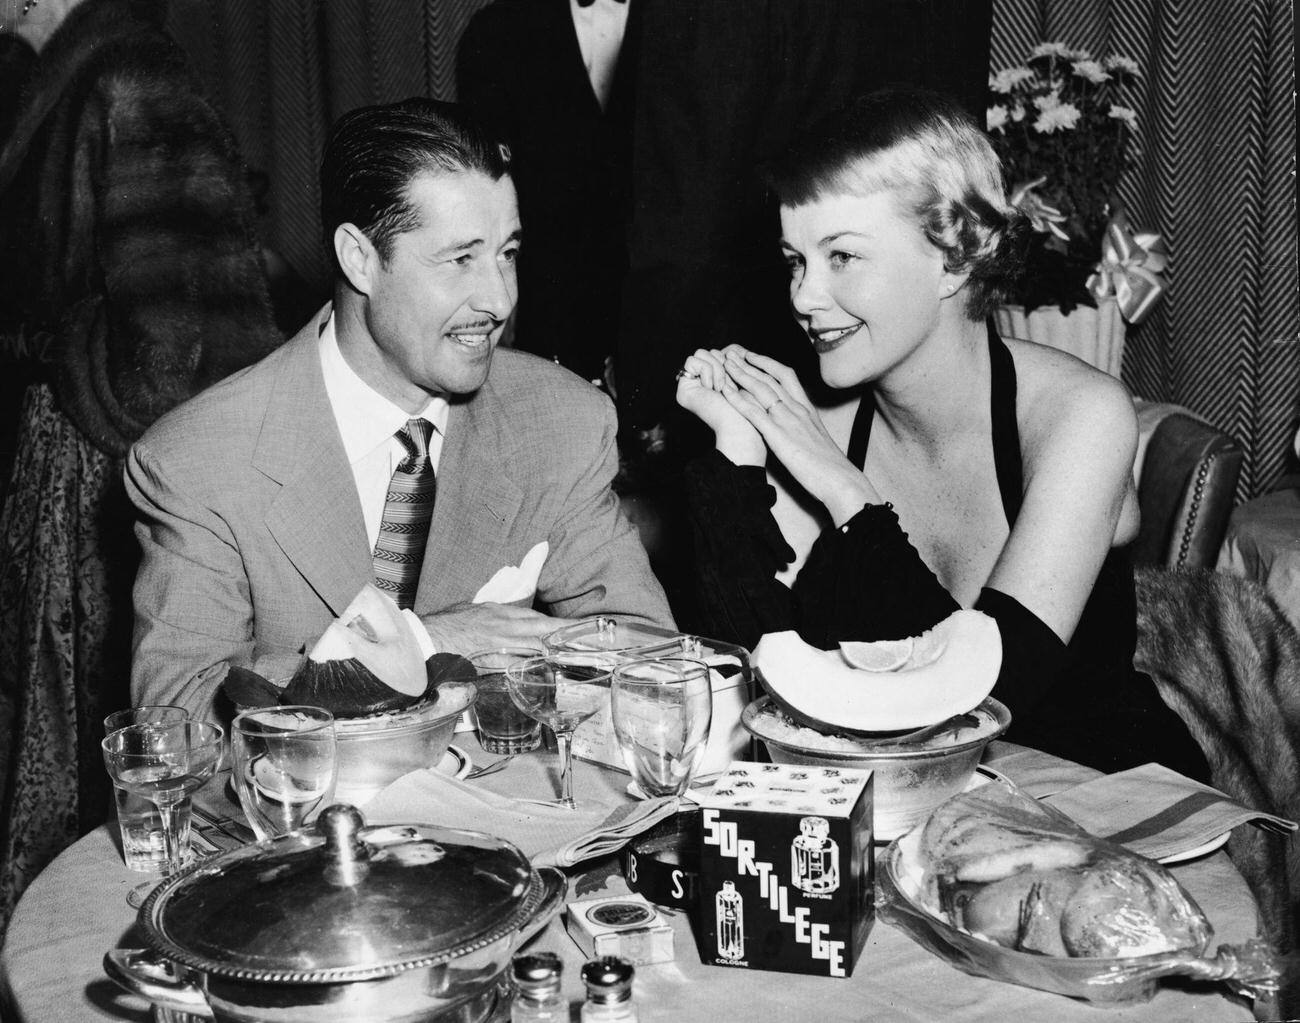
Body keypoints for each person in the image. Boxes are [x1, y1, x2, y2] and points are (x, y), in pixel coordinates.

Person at [675, 87, 1210, 782]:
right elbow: (772, 684)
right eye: (794, 262)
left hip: (1111, 807)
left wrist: (846, 493)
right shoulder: (818, 428)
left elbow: (983, 705)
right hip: (924, 817)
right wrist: (737, 460)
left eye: (841, 257)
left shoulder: (1079, 416)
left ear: (956, 257)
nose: (803, 297)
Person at [127, 98, 674, 721]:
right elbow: (176, 727)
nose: (498, 299)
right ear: (360, 258)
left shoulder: (561, 421)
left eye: (508, 254)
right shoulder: (199, 462)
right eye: (460, 258)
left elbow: (649, 662)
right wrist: (420, 643)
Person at [0, 0, 281, 932]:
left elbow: (183, 330)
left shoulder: (132, 74)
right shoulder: (63, 76)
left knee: (125, 763)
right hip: (65, 456)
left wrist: (96, 414)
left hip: (109, 461)